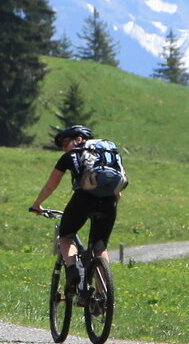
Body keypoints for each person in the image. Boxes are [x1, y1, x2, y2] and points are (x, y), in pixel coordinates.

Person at [29, 125, 122, 293]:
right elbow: (118, 192)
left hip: (83, 199)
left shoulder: (70, 156)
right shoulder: (108, 155)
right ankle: (103, 297)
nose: (64, 148)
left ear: (79, 139)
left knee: (66, 237)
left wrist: (37, 204)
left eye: (66, 143)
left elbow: (50, 186)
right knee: (100, 247)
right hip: (109, 202)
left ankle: (73, 271)